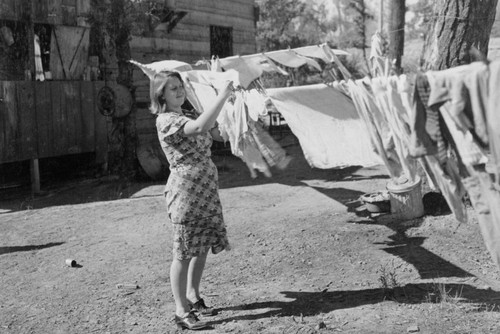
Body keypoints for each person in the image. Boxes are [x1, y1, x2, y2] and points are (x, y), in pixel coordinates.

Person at [149, 71, 234, 330]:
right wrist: (222, 95)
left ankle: (193, 296)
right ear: (160, 94)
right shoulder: (165, 120)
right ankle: (180, 311)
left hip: (205, 190)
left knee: (201, 245)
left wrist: (235, 114)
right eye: (171, 88)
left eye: (180, 86)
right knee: (184, 251)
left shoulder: (186, 115)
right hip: (186, 192)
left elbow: (216, 134)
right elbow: (199, 128)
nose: (178, 91)